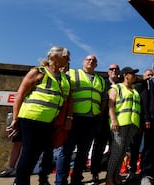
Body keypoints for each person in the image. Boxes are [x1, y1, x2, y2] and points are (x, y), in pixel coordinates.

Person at [7, 46, 71, 185]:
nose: (69, 60)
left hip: (48, 123)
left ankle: (21, 181)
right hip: (31, 119)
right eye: (66, 56)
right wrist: (15, 119)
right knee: (28, 154)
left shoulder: (64, 79)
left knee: (36, 155)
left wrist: (67, 118)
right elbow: (19, 96)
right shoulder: (38, 72)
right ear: (55, 57)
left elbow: (66, 101)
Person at [56, 55, 107, 185]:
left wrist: (99, 115)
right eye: (88, 59)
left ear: (96, 64)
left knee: (83, 153)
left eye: (94, 60)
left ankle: (76, 180)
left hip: (91, 120)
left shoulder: (101, 80)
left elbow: (104, 99)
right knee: (66, 151)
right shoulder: (72, 73)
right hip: (74, 118)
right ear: (83, 62)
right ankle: (60, 181)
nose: (91, 61)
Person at [106, 66, 141, 185]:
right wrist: (114, 120)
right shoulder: (116, 88)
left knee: (122, 152)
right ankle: (109, 178)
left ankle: (116, 176)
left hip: (132, 125)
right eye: (132, 74)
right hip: (120, 124)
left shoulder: (135, 90)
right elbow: (110, 105)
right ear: (125, 75)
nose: (135, 76)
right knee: (116, 151)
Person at [90, 64, 120, 185]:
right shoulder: (102, 83)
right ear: (108, 72)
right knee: (98, 148)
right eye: (111, 69)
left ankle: (112, 174)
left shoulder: (122, 85)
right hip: (103, 121)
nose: (114, 71)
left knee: (115, 149)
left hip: (117, 121)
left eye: (116, 69)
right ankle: (94, 174)